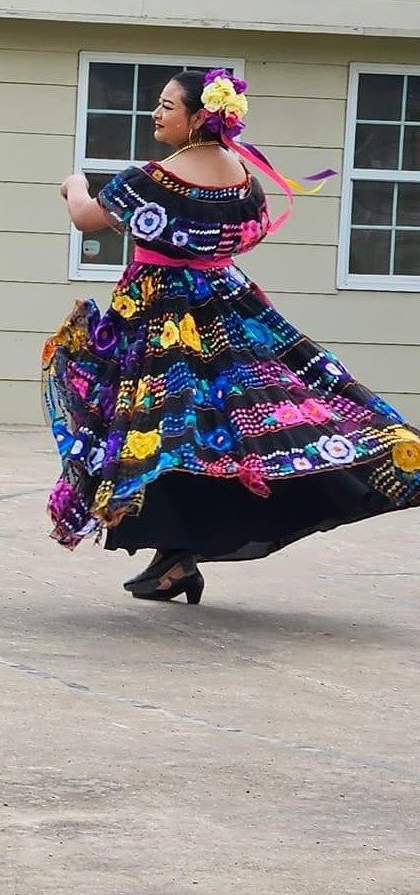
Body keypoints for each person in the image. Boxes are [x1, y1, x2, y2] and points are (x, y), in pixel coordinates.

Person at [44, 68, 420, 604]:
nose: (156, 113)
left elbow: (85, 218)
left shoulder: (148, 179)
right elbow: (249, 233)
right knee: (216, 428)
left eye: (167, 106)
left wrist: (75, 184)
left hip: (160, 314)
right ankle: (174, 560)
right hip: (228, 305)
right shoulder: (243, 179)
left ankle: (175, 556)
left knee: (164, 430)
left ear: (199, 117)